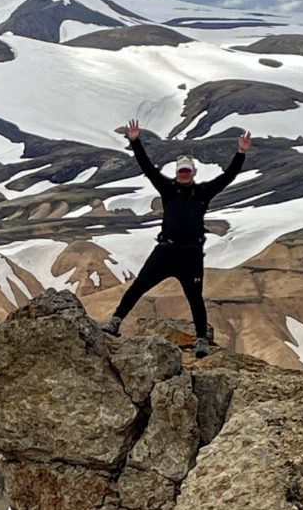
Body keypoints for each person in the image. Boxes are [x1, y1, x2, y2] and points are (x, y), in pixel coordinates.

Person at [101, 120, 252, 357]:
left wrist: (241, 153)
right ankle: (116, 322)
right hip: (166, 251)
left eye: (187, 171)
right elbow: (148, 168)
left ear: (193, 173)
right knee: (139, 285)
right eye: (181, 171)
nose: (183, 174)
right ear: (177, 173)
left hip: (190, 255)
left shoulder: (202, 193)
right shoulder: (168, 189)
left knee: (195, 298)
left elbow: (228, 177)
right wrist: (135, 141)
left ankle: (201, 340)